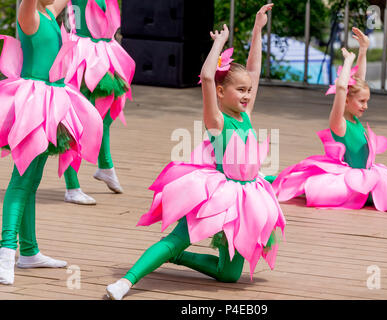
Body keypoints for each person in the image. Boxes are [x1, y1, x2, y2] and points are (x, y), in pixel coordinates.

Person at [105, 4, 286, 300]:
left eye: (248, 90)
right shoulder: (217, 120)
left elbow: (252, 70)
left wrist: (257, 30)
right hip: (219, 192)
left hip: (247, 196)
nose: (246, 95)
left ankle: (174, 258)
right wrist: (218, 45)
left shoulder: (246, 115)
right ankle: (126, 282)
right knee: (177, 240)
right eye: (239, 90)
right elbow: (206, 76)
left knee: (229, 274)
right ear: (220, 91)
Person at [271, 27, 387, 217]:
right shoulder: (338, 123)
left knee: (297, 183)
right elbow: (342, 87)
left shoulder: (354, 119)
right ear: (346, 100)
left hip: (364, 175)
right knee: (296, 183)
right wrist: (347, 61)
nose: (365, 106)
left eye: (367, 101)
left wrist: (363, 50)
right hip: (346, 180)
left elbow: (359, 82)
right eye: (362, 102)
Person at [0, 0, 103, 285]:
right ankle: (5, 252)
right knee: (21, 181)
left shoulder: (48, 10)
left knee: (31, 181)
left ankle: (29, 252)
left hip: (52, 102)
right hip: (32, 103)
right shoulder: (28, 12)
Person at [62, 0, 135, 205]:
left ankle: (105, 167)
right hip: (84, 54)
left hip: (105, 52)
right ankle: (72, 186)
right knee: (77, 121)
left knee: (106, 113)